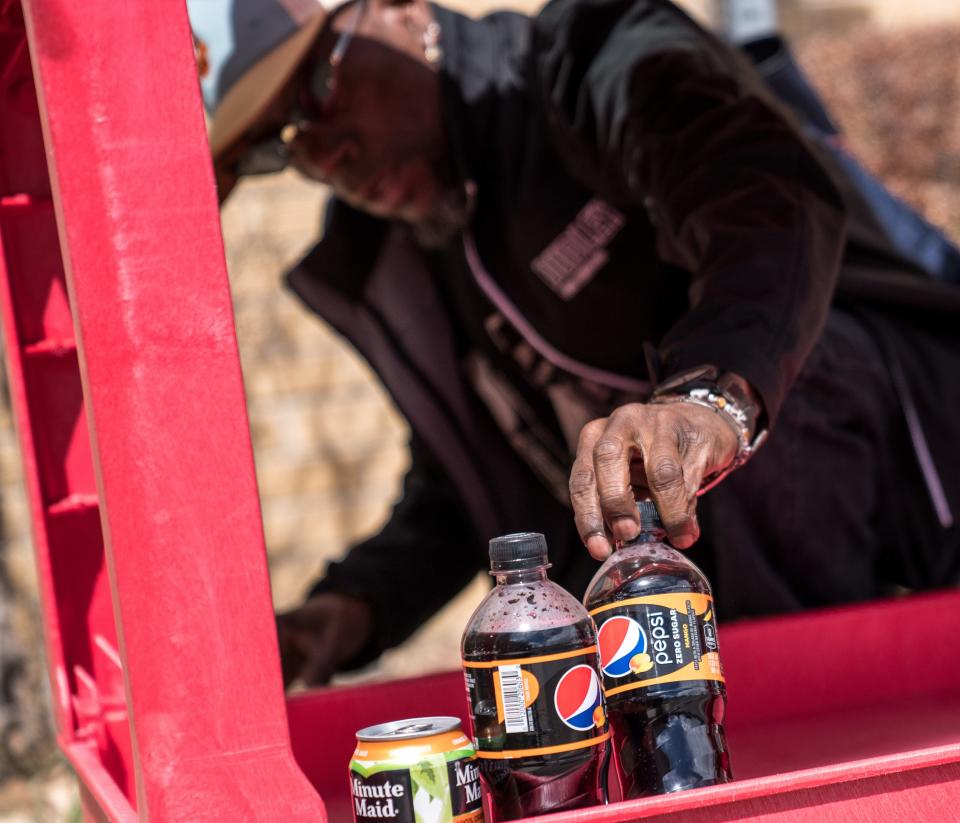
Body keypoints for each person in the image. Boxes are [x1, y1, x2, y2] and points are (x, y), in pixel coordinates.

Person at [188, 0, 960, 686]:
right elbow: (470, 481)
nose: (326, 156)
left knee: (736, 419)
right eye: (280, 143)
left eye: (318, 87)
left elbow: (761, 201)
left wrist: (707, 399)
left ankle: (813, 715)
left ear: (399, 10)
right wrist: (352, 609)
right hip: (696, 612)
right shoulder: (401, 249)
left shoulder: (582, 57)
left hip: (904, 475)